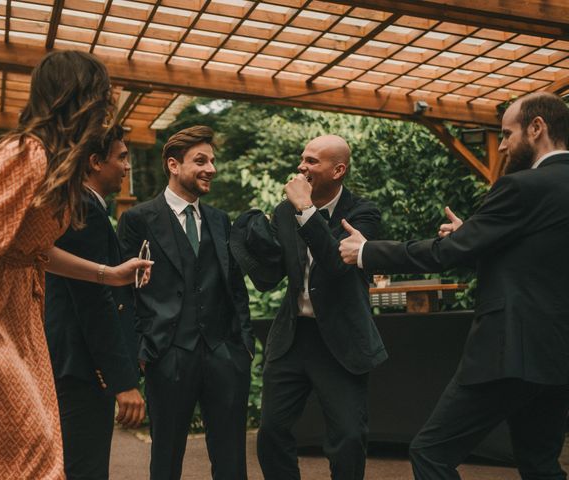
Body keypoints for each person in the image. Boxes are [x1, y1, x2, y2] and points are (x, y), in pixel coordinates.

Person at [0, 51, 151, 479]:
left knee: (28, 451)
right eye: (104, 97)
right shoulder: (24, 155)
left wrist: (109, 272)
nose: (109, 108)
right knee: (31, 452)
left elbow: (33, 251)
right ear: (80, 98)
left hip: (14, 312)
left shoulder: (56, 166)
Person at [339, 91, 569, 479]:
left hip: (510, 350)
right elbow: (539, 256)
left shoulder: (522, 187)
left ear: (537, 127)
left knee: (431, 453)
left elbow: (448, 253)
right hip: (558, 355)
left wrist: (368, 252)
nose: (506, 145)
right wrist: (475, 235)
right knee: (540, 462)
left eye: (507, 134)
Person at [230, 135, 387, 480]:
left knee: (347, 439)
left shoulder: (363, 212)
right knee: (271, 433)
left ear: (338, 170)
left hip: (341, 342)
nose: (302, 167)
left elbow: (337, 266)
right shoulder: (285, 211)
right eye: (303, 159)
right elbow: (271, 273)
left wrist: (306, 210)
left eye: (313, 161)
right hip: (292, 338)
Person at [117, 125, 255, 480]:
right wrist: (142, 352)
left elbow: (235, 288)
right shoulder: (137, 220)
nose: (211, 168)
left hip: (224, 354)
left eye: (212, 160)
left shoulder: (220, 221)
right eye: (201, 160)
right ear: (173, 165)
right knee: (166, 457)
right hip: (168, 354)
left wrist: (243, 348)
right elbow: (124, 292)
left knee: (231, 460)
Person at [44, 124, 146, 479]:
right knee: (84, 469)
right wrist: (123, 380)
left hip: (73, 361)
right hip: (81, 367)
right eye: (121, 157)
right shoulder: (85, 208)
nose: (127, 167)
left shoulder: (84, 206)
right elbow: (93, 301)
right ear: (94, 162)